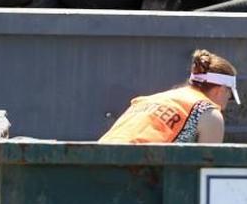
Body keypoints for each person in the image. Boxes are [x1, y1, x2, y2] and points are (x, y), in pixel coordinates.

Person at [99, 48, 238, 144]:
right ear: (219, 90)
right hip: (135, 174)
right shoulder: (209, 112)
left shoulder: (150, 99)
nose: (226, 103)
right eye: (229, 95)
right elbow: (205, 172)